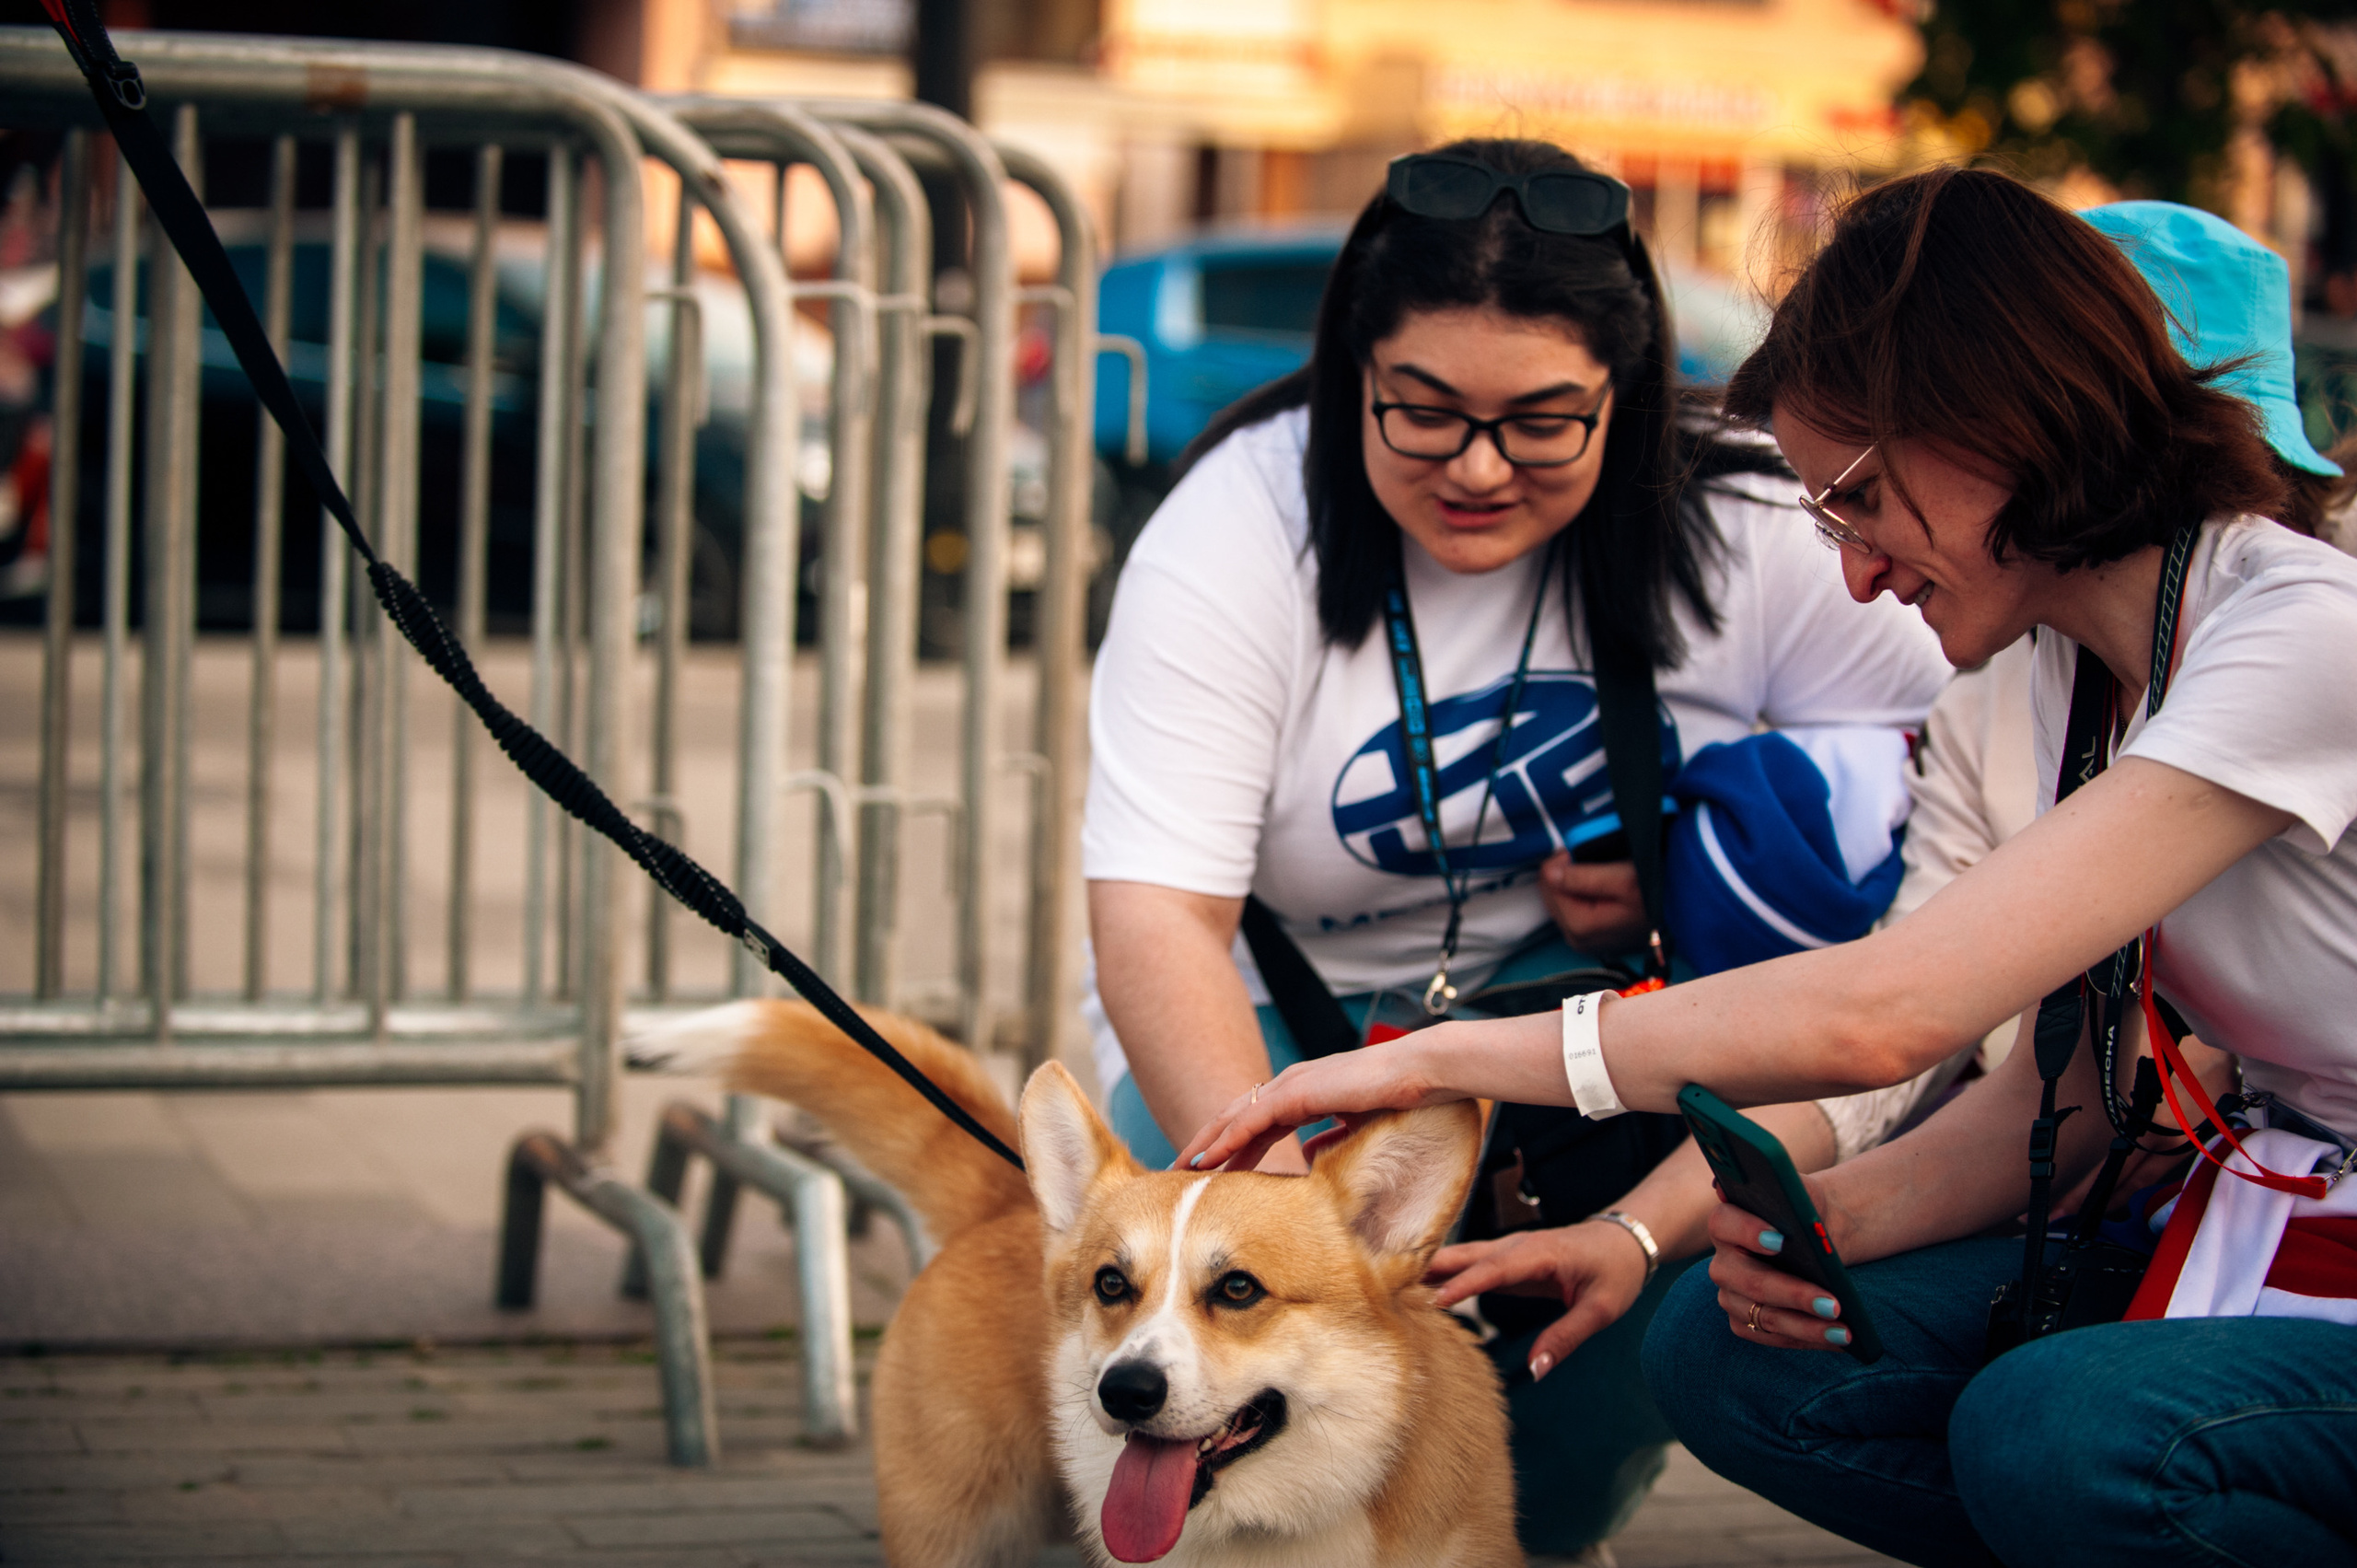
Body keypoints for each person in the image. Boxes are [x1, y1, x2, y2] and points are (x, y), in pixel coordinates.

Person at [1177, 164, 2357, 1566]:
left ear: (2004, 421)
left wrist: (1436, 1063)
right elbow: (2064, 1078)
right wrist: (1804, 1222)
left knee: (2063, 1434)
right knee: (1735, 1349)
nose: (1854, 575)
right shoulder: (2065, 666)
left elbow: (1888, 1013)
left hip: (2293, 1239)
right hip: (2282, 1223)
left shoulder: (2303, 632)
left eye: (1858, 500)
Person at [1081, 137, 1950, 1555]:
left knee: (1539, 1472)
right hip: (1270, 1036)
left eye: (1546, 422)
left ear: (1630, 396)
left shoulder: (1744, 519)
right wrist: (1295, 1220)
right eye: (1421, 413)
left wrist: (1689, 852)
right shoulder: (1238, 524)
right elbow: (1157, 921)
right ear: (1351, 375)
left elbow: (1946, 763)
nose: (1478, 468)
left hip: (1594, 1044)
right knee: (1250, 1423)